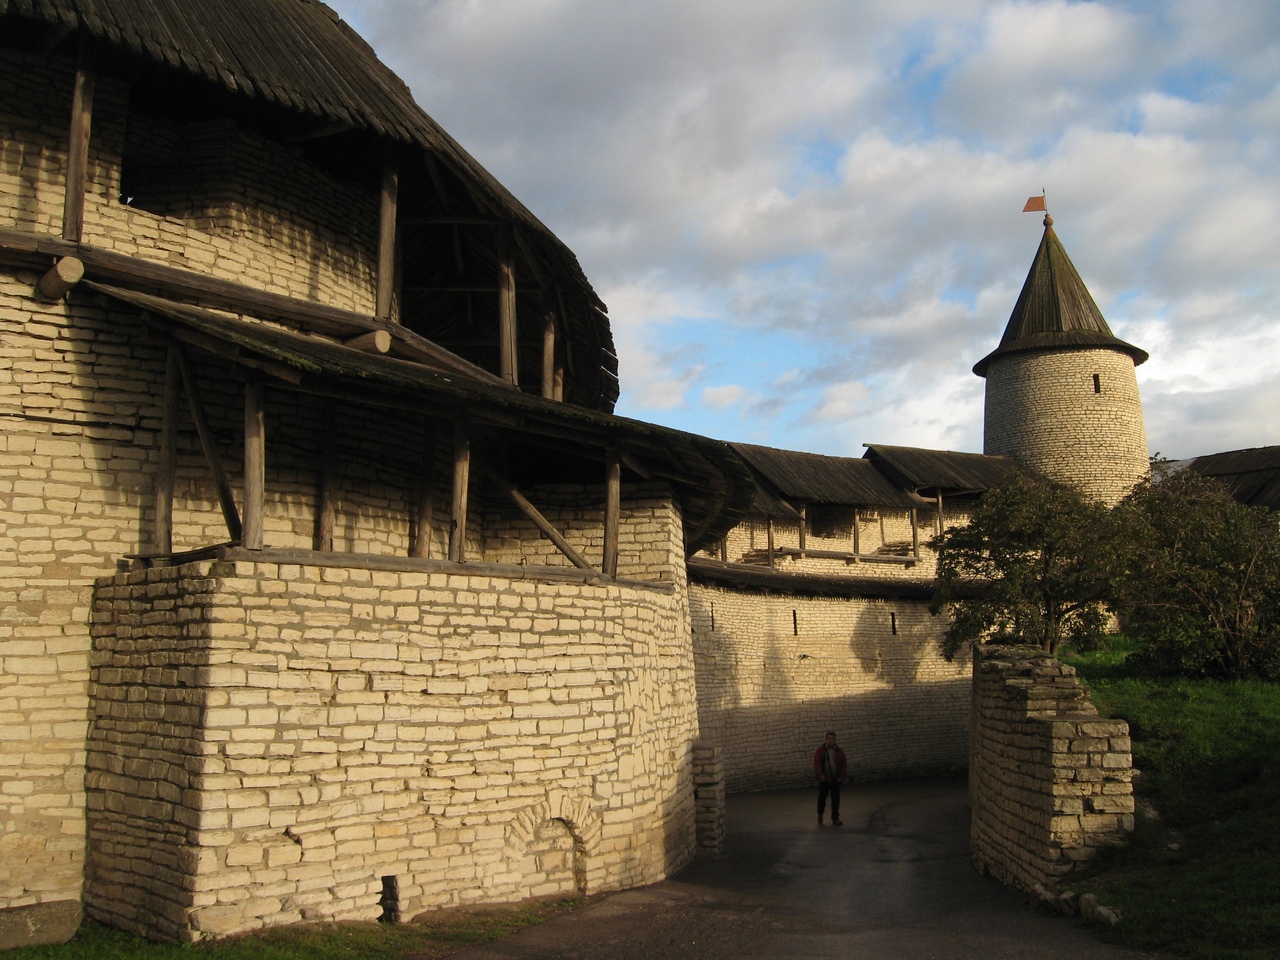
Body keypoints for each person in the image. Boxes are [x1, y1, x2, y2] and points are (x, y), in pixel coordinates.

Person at [813, 731, 847, 825]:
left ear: (835, 740)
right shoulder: (820, 750)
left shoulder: (839, 751)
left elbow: (844, 764)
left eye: (832, 738)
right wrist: (820, 775)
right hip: (824, 779)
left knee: (836, 798)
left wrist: (841, 777)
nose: (831, 740)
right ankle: (820, 814)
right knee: (822, 798)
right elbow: (817, 763)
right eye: (829, 738)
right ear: (825, 739)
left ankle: (835, 817)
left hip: (835, 779)